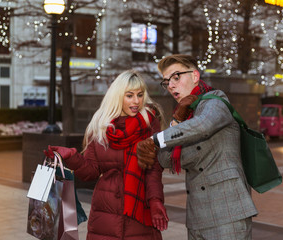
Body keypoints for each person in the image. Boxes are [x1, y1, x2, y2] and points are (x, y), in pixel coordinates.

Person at [137, 54, 258, 240]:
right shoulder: (185, 118)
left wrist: (155, 139)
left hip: (228, 213)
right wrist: (176, 120)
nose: (170, 85)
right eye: (166, 82)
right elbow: (165, 159)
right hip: (196, 219)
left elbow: (203, 125)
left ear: (195, 76)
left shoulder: (216, 101)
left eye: (176, 77)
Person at [44, 69, 168, 240]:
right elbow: (91, 171)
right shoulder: (100, 126)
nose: (136, 101)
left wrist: (155, 200)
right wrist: (72, 157)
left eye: (140, 95)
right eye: (129, 95)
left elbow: (154, 170)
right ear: (118, 96)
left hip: (139, 212)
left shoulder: (149, 123)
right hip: (106, 215)